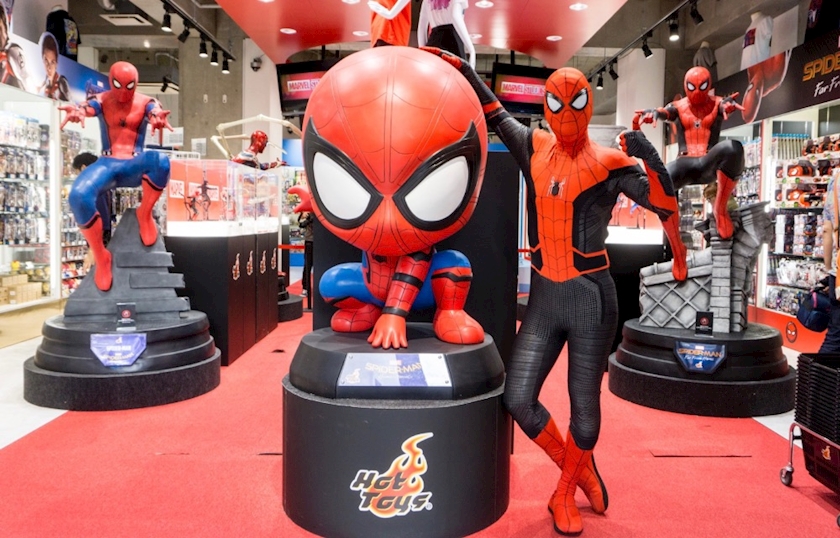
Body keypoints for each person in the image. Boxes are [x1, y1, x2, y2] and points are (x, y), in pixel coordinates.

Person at [423, 47, 684, 535]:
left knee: (585, 409)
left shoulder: (609, 162)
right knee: (518, 397)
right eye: (557, 103)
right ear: (545, 106)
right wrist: (461, 67)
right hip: (544, 298)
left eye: (576, 101)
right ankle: (580, 470)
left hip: (591, 299)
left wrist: (651, 159)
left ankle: (563, 493)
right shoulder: (534, 147)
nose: (566, 113)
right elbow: (494, 111)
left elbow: (665, 206)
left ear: (589, 103)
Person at [59, 61, 172, 292]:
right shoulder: (102, 99)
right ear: (111, 81)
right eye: (118, 85)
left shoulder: (145, 102)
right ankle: (101, 256)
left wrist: (157, 117)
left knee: (161, 161)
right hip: (108, 163)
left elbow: (154, 111)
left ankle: (144, 213)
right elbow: (89, 107)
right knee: (78, 195)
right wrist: (79, 111)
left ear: (136, 83)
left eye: (129, 86)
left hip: (134, 162)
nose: (123, 92)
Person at [635, 66, 744, 242]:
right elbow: (665, 112)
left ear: (708, 85)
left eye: (702, 87)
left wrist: (728, 106)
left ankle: (720, 208)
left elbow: (724, 105)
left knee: (733, 148)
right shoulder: (679, 107)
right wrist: (654, 113)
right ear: (686, 86)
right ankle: (673, 236)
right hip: (684, 163)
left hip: (708, 162)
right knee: (658, 182)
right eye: (692, 87)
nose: (697, 92)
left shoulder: (717, 103)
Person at [71, 153, 111, 272]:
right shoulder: (102, 185)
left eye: (77, 173)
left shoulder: (94, 188)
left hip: (100, 244)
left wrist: (93, 249)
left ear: (84, 168)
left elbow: (101, 220)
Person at [417, 0, 476, 68]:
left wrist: (423, 52)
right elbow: (455, 16)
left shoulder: (426, 1)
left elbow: (421, 28)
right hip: (453, 40)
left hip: (434, 40)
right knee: (454, 72)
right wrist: (471, 49)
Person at [820, 173, 840, 352]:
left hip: (838, 272)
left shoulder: (836, 179)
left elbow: (827, 229)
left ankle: (818, 370)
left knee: (835, 333)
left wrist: (829, 268)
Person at [38, 32, 69, 101]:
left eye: (52, 62)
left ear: (56, 64)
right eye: (46, 61)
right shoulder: (45, 83)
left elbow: (70, 103)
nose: (49, 67)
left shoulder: (62, 82)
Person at [298, 211, 314, 297]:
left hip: (317, 242)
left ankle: (307, 289)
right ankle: (305, 288)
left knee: (310, 266)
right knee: (307, 266)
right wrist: (305, 216)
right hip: (310, 242)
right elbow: (301, 224)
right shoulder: (309, 215)